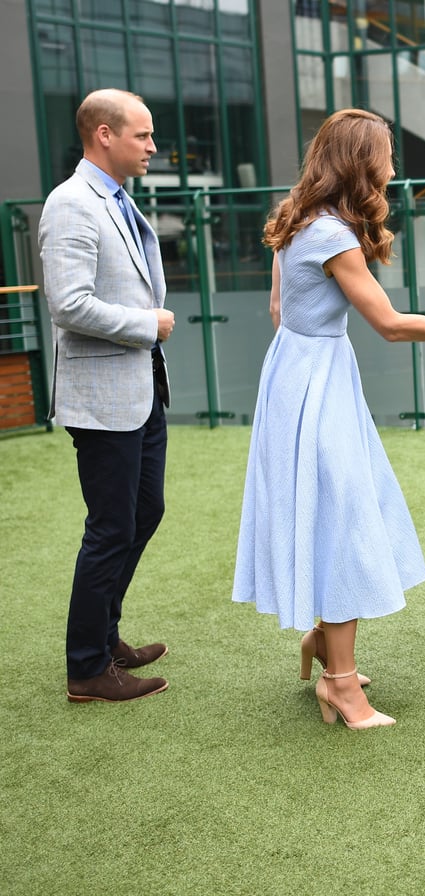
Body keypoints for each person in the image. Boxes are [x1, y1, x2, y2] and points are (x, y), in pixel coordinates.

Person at [232, 109, 425, 730]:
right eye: (385, 152)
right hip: (317, 382)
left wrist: (309, 360)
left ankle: (327, 643)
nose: (392, 164)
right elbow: (388, 324)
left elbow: (280, 310)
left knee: (333, 509)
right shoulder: (330, 234)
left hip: (297, 376)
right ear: (361, 161)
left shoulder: (294, 214)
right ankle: (340, 682)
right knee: (345, 518)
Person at [39, 88, 174, 704]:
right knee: (111, 527)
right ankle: (88, 669)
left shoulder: (118, 200)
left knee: (144, 514)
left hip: (140, 391)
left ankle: (104, 636)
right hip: (103, 399)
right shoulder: (71, 203)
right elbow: (68, 304)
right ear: (103, 135)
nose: (152, 146)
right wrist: (148, 324)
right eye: (142, 136)